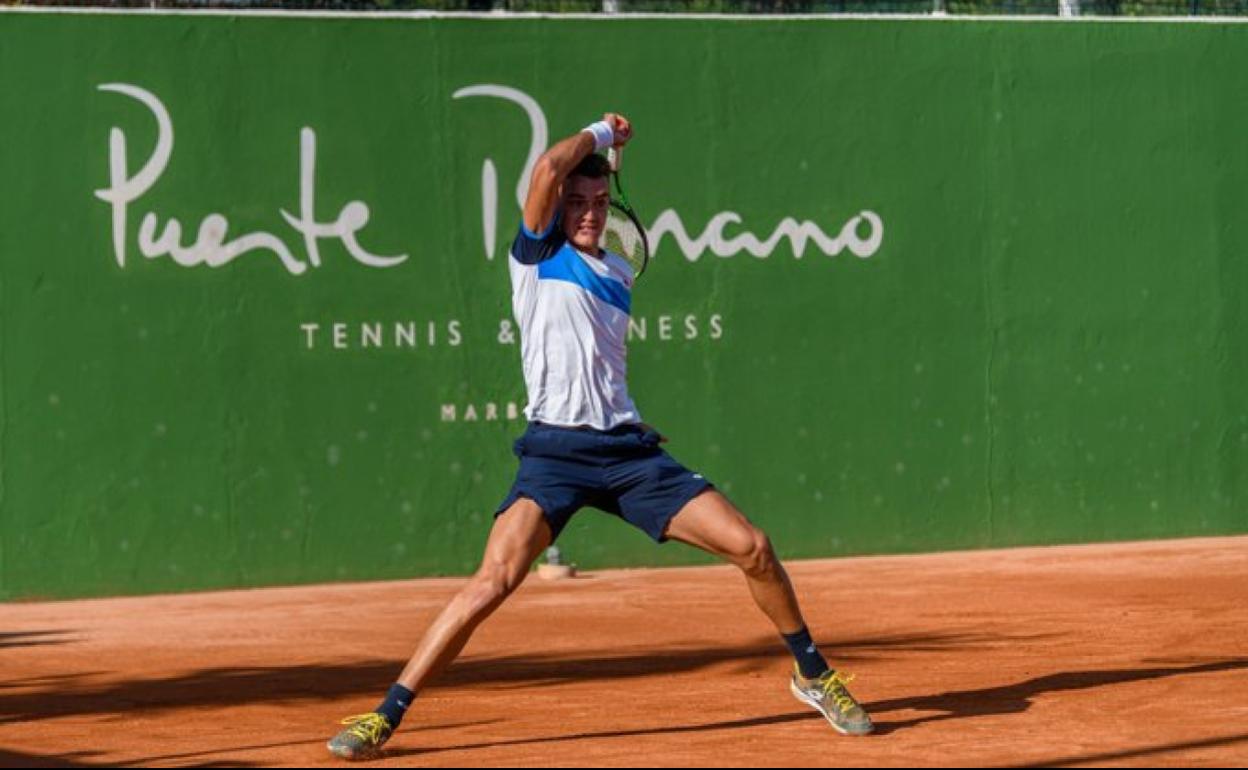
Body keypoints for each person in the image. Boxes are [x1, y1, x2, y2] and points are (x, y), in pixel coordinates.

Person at [327, 113, 873, 760]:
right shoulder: (534, 258)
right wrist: (601, 134)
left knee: (752, 546)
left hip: (627, 453)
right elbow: (547, 169)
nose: (588, 212)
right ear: (558, 207)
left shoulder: (616, 270)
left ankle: (814, 674)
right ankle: (384, 715)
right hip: (554, 455)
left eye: (598, 203)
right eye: (577, 203)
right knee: (492, 581)